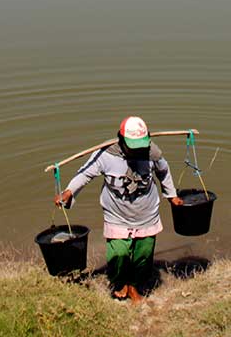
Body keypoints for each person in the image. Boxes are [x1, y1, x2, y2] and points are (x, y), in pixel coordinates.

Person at [54, 116, 183, 302]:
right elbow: (85, 173)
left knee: (143, 255)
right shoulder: (105, 155)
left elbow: (164, 172)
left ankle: (133, 286)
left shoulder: (152, 153)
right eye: (133, 146)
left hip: (146, 213)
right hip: (116, 214)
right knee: (119, 253)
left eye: (141, 146)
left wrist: (172, 196)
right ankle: (120, 282)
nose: (138, 150)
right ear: (121, 141)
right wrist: (68, 191)